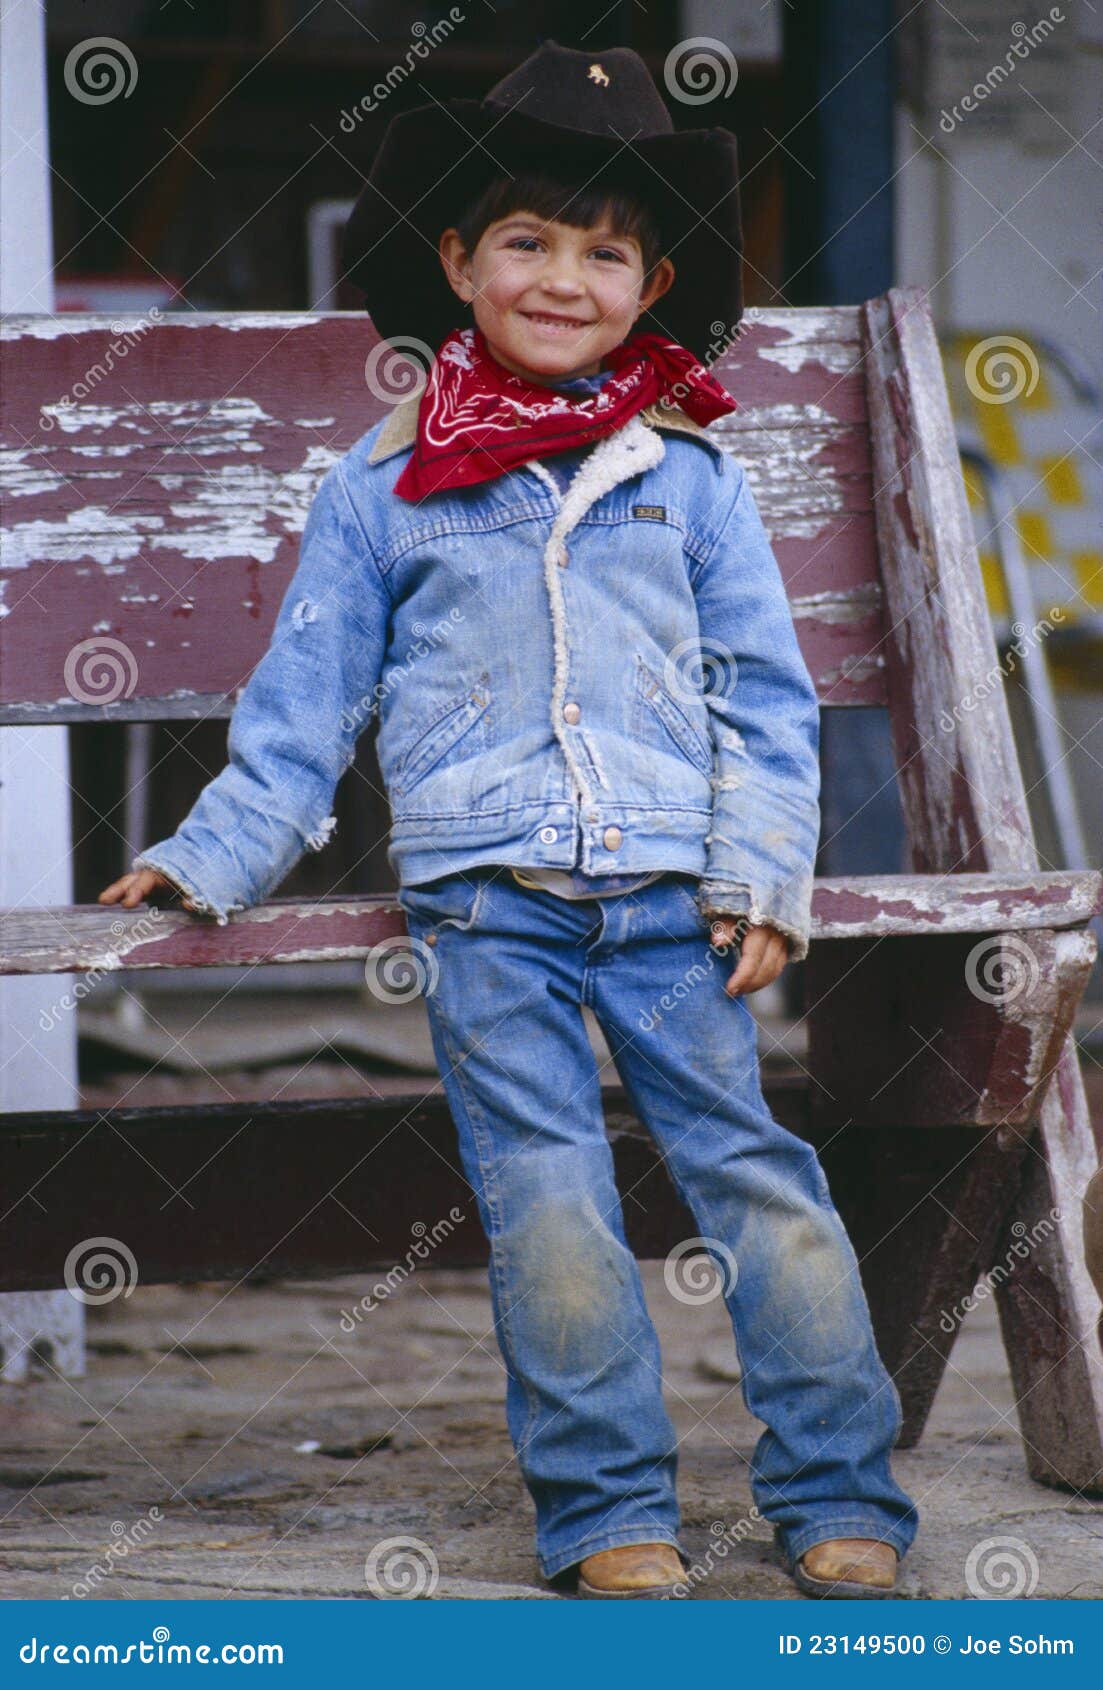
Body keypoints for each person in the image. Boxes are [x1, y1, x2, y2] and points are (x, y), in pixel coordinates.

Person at [99, 40, 918, 1599]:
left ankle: (839, 1491)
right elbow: (302, 712)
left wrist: (761, 875)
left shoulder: (692, 479)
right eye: (527, 241)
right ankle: (610, 1509)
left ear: (651, 281)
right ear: (459, 261)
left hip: (681, 902)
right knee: (549, 1196)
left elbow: (765, 697)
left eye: (604, 249)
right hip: (488, 907)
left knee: (756, 1174)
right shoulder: (381, 489)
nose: (564, 276)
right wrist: (209, 853)